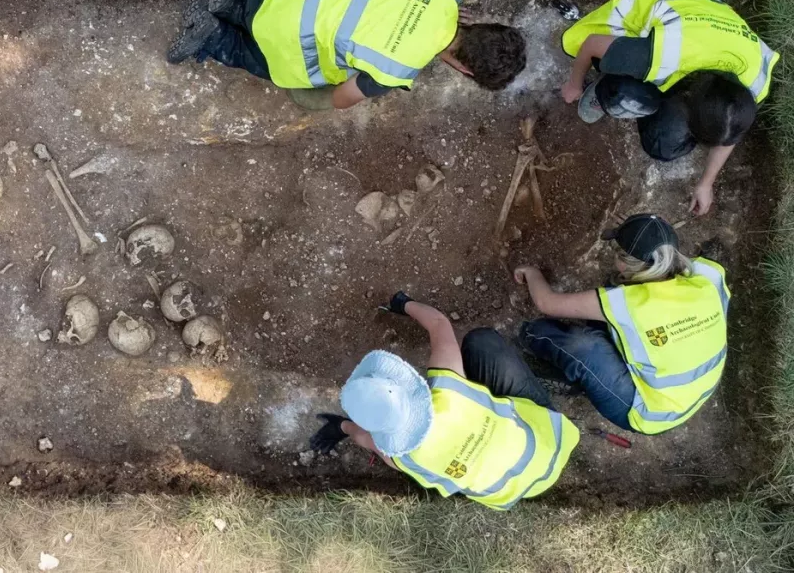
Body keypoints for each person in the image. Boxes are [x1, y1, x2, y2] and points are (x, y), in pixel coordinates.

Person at [167, 0, 527, 110]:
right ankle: (215, 35)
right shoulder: (395, 70)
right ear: (464, 70)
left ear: (482, 25)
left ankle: (232, 3)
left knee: (310, 7)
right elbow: (340, 98)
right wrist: (313, 97)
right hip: (274, 18)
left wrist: (443, 11)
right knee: (282, 66)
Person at [309, 293, 578, 510]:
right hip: (550, 440)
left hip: (507, 491)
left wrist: (340, 427)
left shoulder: (405, 458)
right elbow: (439, 323)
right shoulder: (448, 391)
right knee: (482, 341)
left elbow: (363, 438)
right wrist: (403, 304)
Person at [560, 0, 780, 215]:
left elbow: (730, 127)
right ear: (689, 97)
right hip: (659, 24)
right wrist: (574, 85)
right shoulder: (662, 54)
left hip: (706, 45)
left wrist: (706, 183)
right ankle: (605, 88)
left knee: (663, 145)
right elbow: (592, 43)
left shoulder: (753, 84)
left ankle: (652, 95)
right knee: (623, 96)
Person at [515, 213, 730, 435]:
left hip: (650, 413)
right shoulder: (709, 277)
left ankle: (527, 336)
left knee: (582, 346)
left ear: (626, 263)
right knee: (612, 299)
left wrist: (531, 273)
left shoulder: (633, 303)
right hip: (694, 392)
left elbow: (547, 303)